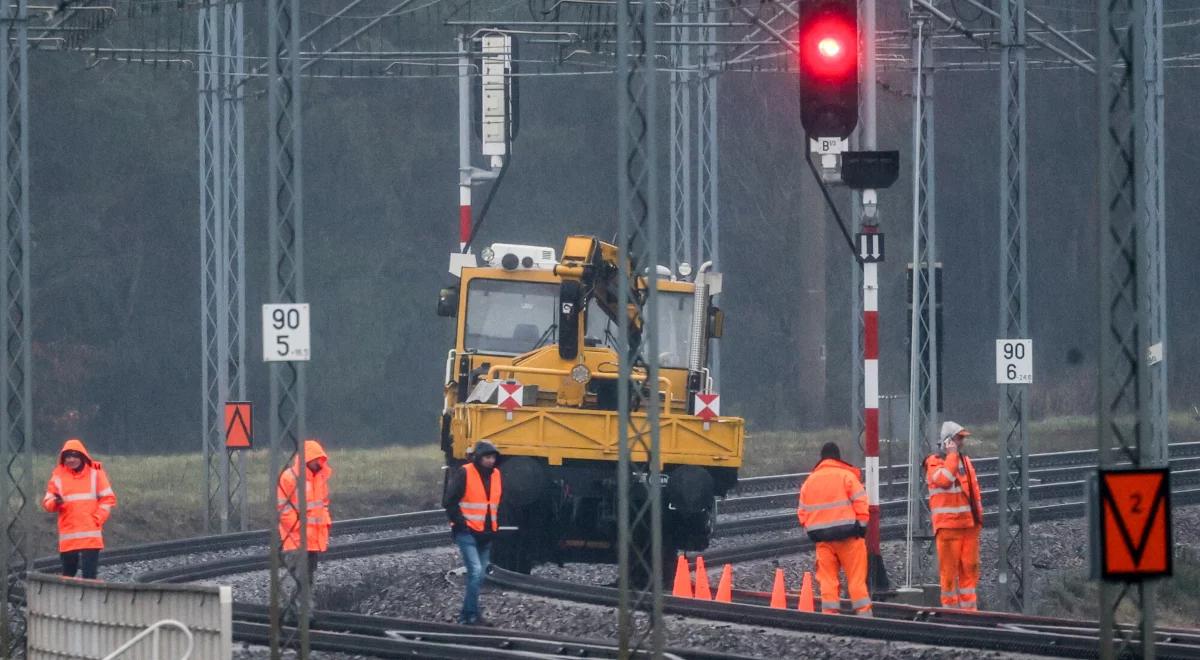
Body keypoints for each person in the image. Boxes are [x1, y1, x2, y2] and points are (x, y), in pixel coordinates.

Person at [797, 442, 872, 616]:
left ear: (821, 459)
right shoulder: (847, 476)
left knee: (827, 581)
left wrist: (812, 530)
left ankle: (830, 615)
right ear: (838, 458)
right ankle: (864, 614)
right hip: (849, 537)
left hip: (823, 540)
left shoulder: (809, 481)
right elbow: (861, 503)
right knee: (856, 579)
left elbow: (802, 513)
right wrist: (861, 528)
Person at [925, 421, 983, 611]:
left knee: (970, 571)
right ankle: (951, 614)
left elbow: (974, 492)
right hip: (949, 528)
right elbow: (945, 480)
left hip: (968, 526)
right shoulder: (933, 462)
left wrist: (978, 520)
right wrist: (951, 456)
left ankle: (969, 614)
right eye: (959, 438)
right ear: (948, 441)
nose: (962, 442)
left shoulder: (965, 461)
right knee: (949, 576)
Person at [443, 440, 502, 626]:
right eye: (487, 457)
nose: (490, 461)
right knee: (476, 572)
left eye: (493, 457)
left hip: (486, 534)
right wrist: (461, 524)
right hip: (466, 532)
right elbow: (449, 501)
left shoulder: (497, 475)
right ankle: (469, 617)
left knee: (481, 574)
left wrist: (494, 528)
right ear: (478, 458)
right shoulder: (465, 472)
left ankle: (470, 615)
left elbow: (495, 504)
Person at [41, 438, 116, 579]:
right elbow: (47, 502)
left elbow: (108, 498)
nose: (71, 460)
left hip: (90, 535)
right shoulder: (58, 476)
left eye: (74, 456)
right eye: (68, 456)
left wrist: (98, 518)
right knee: (68, 575)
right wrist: (55, 502)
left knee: (89, 577)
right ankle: (68, 601)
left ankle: (88, 601)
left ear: (82, 456)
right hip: (68, 535)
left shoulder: (96, 473)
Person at [277, 438, 333, 607]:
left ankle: (292, 612)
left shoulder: (318, 479)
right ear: (308, 458)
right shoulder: (289, 478)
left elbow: (322, 505)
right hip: (296, 540)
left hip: (313, 540)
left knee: (306, 578)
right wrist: (301, 531)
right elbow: (284, 511)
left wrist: (323, 527)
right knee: (301, 579)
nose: (319, 462)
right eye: (317, 458)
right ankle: (302, 612)